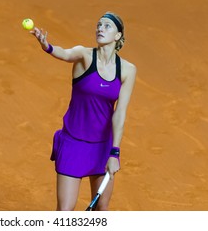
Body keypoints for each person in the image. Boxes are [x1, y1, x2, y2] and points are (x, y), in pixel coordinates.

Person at [30, 12, 136, 211]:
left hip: (103, 148)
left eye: (107, 26)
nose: (100, 29)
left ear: (118, 36)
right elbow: (64, 53)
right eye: (98, 25)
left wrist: (114, 153)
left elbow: (120, 113)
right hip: (74, 144)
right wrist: (47, 46)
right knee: (64, 211)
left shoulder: (128, 70)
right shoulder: (84, 55)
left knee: (101, 210)